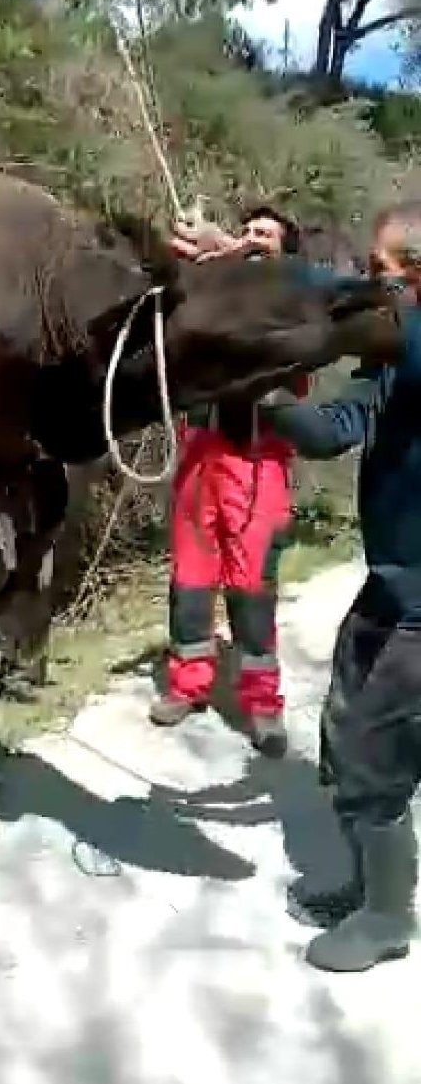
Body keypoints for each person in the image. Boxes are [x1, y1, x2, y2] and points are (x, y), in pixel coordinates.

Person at [257, 201, 421, 972]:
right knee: (342, 722)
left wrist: (269, 267)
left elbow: (351, 306)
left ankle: (389, 915)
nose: (363, 285)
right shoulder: (389, 357)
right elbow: (331, 430)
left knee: (375, 748)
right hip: (390, 585)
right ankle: (364, 882)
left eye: (378, 273)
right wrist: (265, 400)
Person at [151, 205, 305, 760]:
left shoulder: (297, 298)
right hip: (202, 453)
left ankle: (262, 703)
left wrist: (234, 252)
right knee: (190, 578)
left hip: (258, 461)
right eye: (249, 231)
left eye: (266, 236)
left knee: (252, 588)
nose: (253, 240)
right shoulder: (222, 287)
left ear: (287, 251)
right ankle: (187, 684)